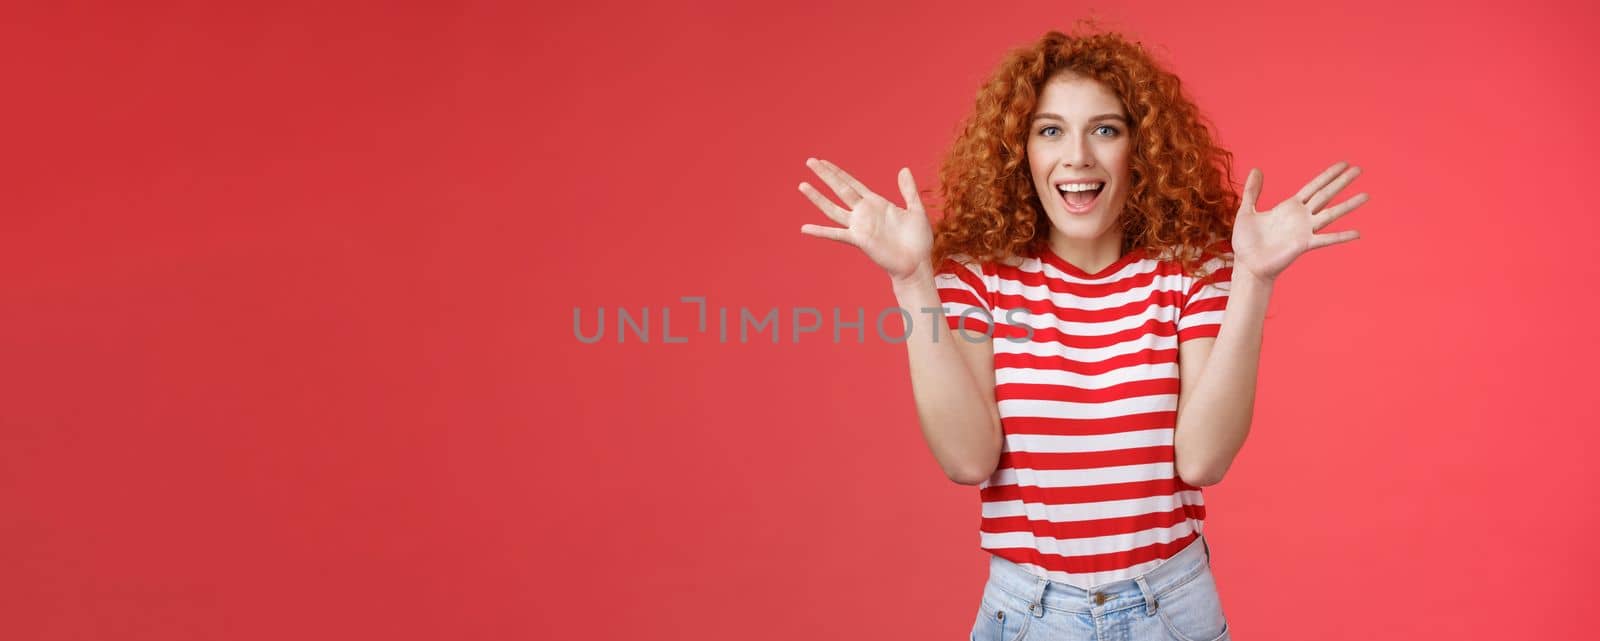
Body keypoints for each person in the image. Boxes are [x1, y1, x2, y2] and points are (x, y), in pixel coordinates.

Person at [798, 24, 1367, 641]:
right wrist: (912, 282)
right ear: (1022, 151)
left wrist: (1253, 280)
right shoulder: (978, 280)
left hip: (1170, 610)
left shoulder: (1191, 273)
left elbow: (1203, 460)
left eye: (1105, 129)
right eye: (1050, 131)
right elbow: (967, 460)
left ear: (1139, 148)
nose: (1078, 156)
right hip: (1027, 614)